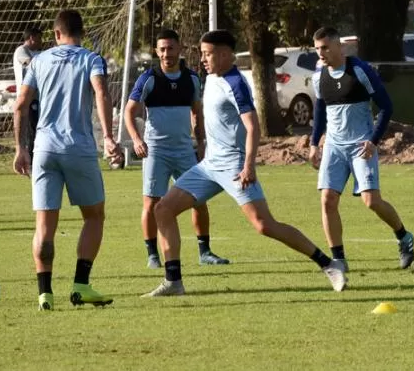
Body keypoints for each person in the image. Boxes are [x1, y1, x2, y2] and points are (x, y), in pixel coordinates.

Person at [143, 30, 346, 298]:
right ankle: (173, 282)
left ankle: (329, 264)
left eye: (208, 54)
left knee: (264, 225)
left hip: (234, 167)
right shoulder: (211, 78)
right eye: (202, 53)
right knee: (163, 210)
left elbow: (253, 127)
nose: (203, 59)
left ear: (226, 55)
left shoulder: (235, 83)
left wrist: (248, 165)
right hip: (209, 166)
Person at [13, 10, 122, 311]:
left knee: (44, 226)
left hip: (44, 149)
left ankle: (44, 293)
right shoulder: (91, 59)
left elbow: (21, 105)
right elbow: (101, 93)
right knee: (94, 216)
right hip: (79, 148)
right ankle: (80, 285)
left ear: (56, 34)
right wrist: (109, 138)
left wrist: (21, 148)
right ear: (81, 33)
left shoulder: (38, 60)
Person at [308, 27, 414, 272]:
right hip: (334, 146)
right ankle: (339, 259)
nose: (321, 53)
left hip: (360, 145)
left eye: (325, 47)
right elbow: (320, 110)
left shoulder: (359, 70)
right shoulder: (318, 76)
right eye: (317, 48)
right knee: (327, 199)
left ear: (339, 47)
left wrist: (373, 140)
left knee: (371, 201)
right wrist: (315, 143)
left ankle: (404, 236)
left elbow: (386, 106)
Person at [124, 29, 230, 269]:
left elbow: (196, 113)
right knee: (151, 203)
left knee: (199, 199)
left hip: (184, 150)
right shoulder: (148, 79)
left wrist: (201, 143)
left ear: (179, 49)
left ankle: (205, 252)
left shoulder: (191, 79)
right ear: (156, 51)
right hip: (156, 152)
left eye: (170, 48)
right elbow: (129, 112)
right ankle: (152, 254)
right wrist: (137, 140)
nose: (166, 53)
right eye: (161, 49)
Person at [14, 27, 43, 159]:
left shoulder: (38, 52)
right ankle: (31, 159)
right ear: (31, 37)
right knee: (32, 128)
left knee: (37, 128)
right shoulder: (21, 50)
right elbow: (28, 62)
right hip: (27, 97)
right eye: (39, 38)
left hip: (37, 97)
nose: (40, 41)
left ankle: (36, 156)